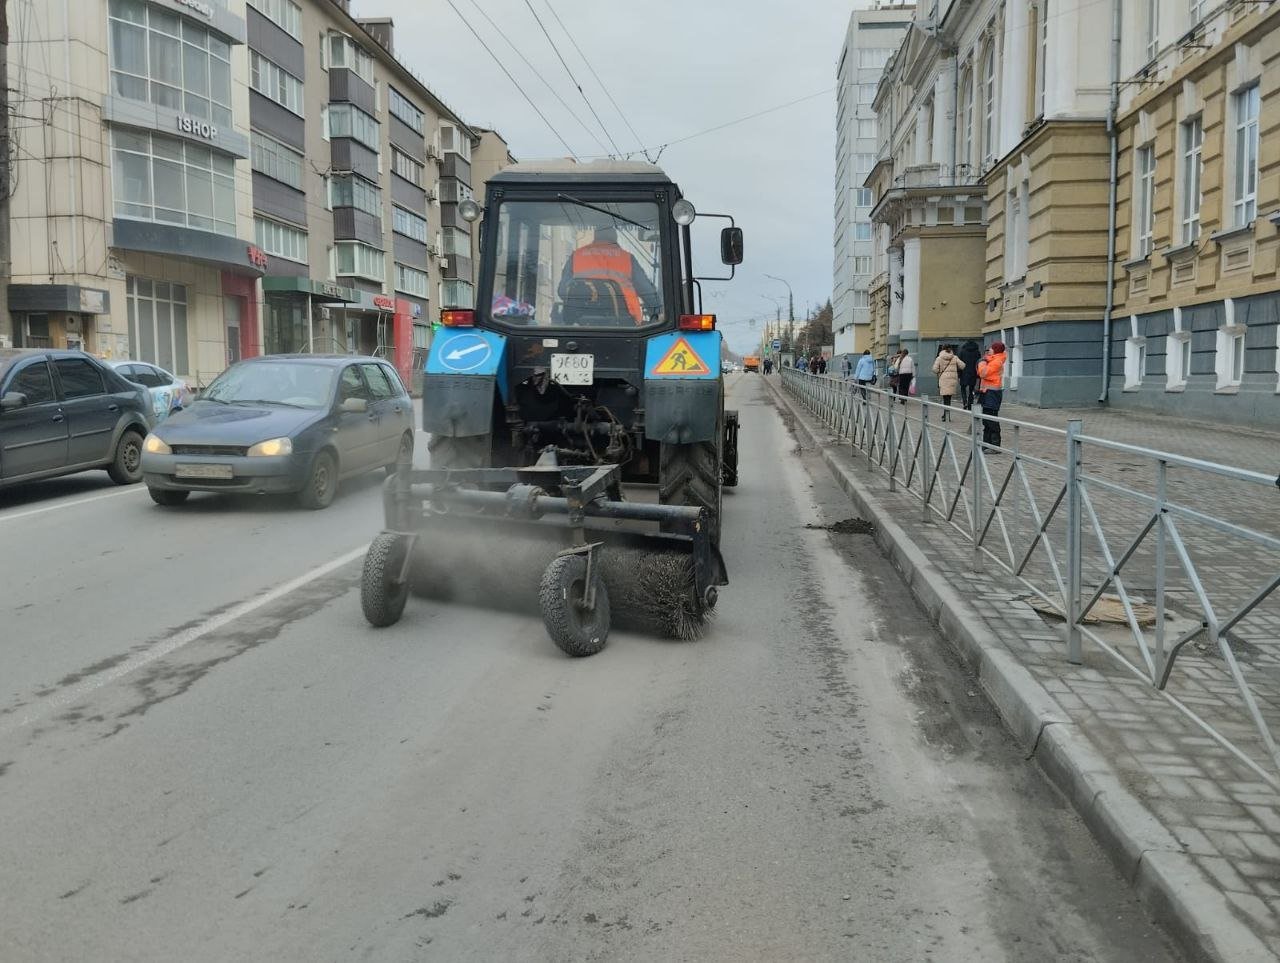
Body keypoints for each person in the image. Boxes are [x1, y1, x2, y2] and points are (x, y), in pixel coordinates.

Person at [557, 224, 659, 325]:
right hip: (625, 322)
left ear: (595, 236)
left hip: (579, 323)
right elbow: (647, 291)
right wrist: (656, 314)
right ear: (615, 238)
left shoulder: (576, 257)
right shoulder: (626, 258)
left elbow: (562, 291)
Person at [976, 341, 1007, 451]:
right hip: (987, 393)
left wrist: (982, 362)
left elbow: (983, 373)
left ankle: (994, 445)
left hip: (992, 394)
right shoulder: (993, 360)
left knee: (991, 420)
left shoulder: (996, 362)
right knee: (986, 420)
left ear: (996, 350)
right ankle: (986, 444)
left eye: (992, 348)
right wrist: (984, 360)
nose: (989, 349)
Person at [931, 343, 964, 420]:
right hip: (952, 380)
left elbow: (934, 369)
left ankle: (946, 415)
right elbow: (962, 366)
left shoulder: (939, 358)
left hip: (943, 379)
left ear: (942, 349)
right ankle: (946, 415)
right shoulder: (954, 357)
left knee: (945, 398)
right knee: (949, 398)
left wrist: (940, 371)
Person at [958, 339, 981, 409]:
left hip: (964, 373)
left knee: (963, 388)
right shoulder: (977, 352)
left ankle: (965, 402)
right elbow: (979, 363)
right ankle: (970, 404)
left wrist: (959, 375)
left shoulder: (962, 351)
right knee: (971, 389)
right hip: (973, 373)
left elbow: (959, 364)